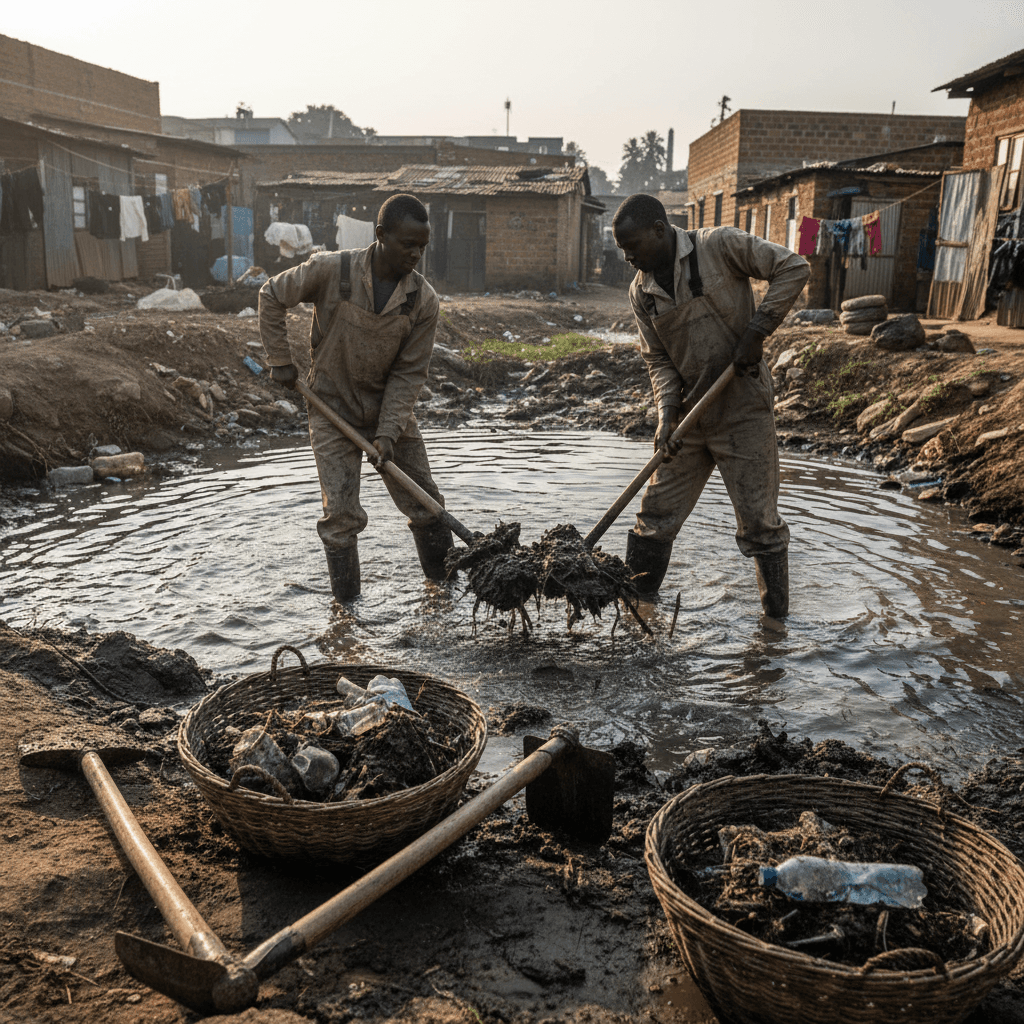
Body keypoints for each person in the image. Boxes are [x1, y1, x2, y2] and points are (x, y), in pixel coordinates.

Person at [612, 193, 810, 617]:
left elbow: (793, 267)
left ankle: (774, 633)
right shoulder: (641, 292)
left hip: (743, 409)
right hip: (689, 419)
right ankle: (636, 618)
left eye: (634, 246)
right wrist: (666, 417)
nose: (628, 257)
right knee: (654, 517)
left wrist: (757, 330)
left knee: (760, 524)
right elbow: (659, 359)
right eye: (622, 250)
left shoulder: (719, 245)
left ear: (660, 231)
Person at [258, 193, 451, 601]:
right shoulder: (332, 270)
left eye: (423, 246)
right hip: (331, 408)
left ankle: (445, 595)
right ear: (381, 235)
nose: (416, 254)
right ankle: (346, 616)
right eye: (408, 244)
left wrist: (387, 433)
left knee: (426, 504)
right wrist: (280, 360)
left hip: (387, 410)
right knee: (341, 517)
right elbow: (271, 295)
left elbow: (408, 373)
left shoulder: (422, 300)